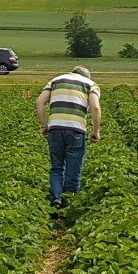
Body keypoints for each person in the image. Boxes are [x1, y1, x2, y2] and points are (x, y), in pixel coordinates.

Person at [36, 65, 100, 209]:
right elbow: (95, 107)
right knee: (74, 168)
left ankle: (56, 200)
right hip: (76, 130)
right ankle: (69, 204)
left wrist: (44, 125)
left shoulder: (55, 80)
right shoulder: (90, 84)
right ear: (86, 76)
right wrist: (96, 131)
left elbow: (39, 102)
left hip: (55, 129)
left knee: (57, 167)